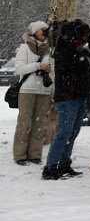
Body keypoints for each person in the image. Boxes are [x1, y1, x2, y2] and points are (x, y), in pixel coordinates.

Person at [42, 19, 90, 180]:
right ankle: (50, 167)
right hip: (67, 98)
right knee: (63, 133)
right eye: (82, 33)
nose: (85, 36)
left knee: (73, 133)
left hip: (80, 97)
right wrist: (75, 43)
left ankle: (64, 163)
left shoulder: (82, 48)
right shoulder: (64, 47)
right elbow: (67, 65)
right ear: (74, 33)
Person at [12, 21, 53, 165]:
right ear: (34, 31)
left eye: (46, 30)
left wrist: (51, 81)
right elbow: (19, 69)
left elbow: (53, 72)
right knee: (24, 123)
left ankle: (35, 154)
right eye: (41, 29)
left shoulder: (50, 49)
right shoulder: (25, 47)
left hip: (44, 91)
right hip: (27, 90)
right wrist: (38, 65)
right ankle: (20, 155)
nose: (44, 32)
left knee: (39, 124)